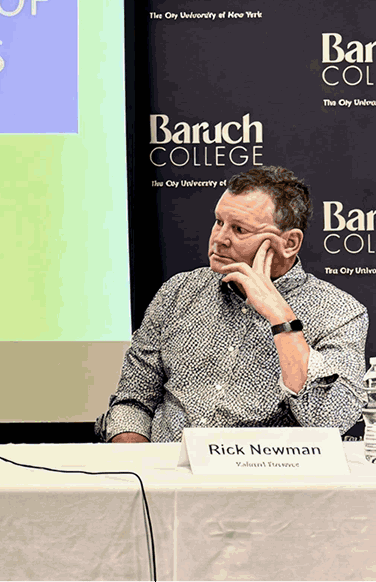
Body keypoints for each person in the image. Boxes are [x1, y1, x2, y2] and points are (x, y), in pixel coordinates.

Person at [102, 165, 369, 442]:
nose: (219, 239)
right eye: (219, 222)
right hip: (165, 474)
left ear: (289, 243)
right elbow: (133, 401)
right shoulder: (177, 292)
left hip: (265, 480)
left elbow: (330, 420)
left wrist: (282, 320)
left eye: (239, 229)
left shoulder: (340, 312)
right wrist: (142, 467)